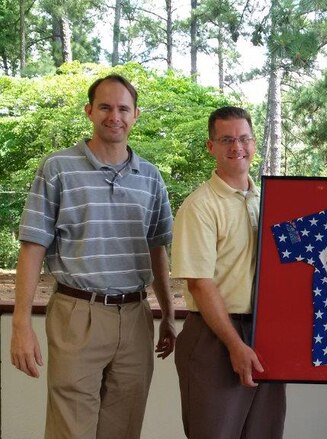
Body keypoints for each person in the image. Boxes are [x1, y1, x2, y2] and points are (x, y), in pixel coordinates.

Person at [9, 74, 177, 439]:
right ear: (89, 111)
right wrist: (21, 324)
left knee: (123, 429)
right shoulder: (58, 168)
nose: (113, 116)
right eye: (104, 106)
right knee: (71, 431)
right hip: (76, 314)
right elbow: (33, 244)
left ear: (136, 115)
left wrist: (167, 314)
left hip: (135, 317)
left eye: (123, 108)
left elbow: (158, 247)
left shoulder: (150, 177)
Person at [171, 106, 286, 439]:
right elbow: (200, 284)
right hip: (215, 338)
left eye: (244, 138)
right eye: (226, 140)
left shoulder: (267, 202)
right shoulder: (200, 206)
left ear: (254, 143)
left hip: (264, 337)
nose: (237, 147)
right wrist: (235, 345)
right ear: (211, 147)